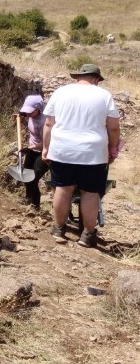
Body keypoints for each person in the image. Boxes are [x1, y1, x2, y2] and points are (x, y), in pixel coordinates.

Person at [42, 64, 120, 247]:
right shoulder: (104, 95)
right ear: (96, 79)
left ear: (78, 77)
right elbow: (114, 127)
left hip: (62, 150)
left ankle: (59, 229)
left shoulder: (60, 92)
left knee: (62, 188)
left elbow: (48, 124)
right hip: (93, 153)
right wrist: (113, 148)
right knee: (91, 193)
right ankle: (87, 235)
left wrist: (46, 148)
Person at [17, 94, 50, 209]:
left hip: (45, 151)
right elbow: (25, 114)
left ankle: (35, 205)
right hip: (32, 149)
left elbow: (48, 142)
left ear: (39, 109)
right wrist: (22, 115)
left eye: (30, 111)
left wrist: (29, 148)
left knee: (33, 177)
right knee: (26, 174)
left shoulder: (45, 121)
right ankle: (28, 197)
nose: (28, 113)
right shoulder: (30, 115)